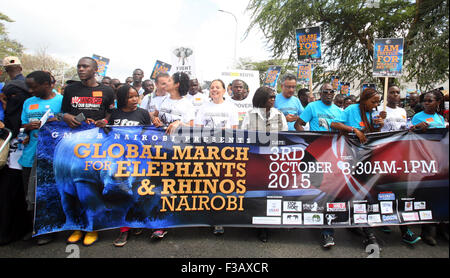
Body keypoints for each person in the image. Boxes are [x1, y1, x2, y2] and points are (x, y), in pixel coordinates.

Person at [61, 57, 115, 246]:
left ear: (95, 69)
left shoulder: (108, 91)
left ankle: (92, 227)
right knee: (74, 186)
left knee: (92, 186)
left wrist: (105, 121)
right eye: (79, 66)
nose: (81, 69)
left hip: (96, 147)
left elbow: (112, 113)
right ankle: (77, 227)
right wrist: (66, 116)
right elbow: (62, 112)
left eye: (85, 66)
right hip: (74, 144)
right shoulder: (70, 89)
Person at [330, 88, 385, 251]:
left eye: (377, 102)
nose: (375, 105)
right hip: (347, 158)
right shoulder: (351, 109)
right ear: (363, 100)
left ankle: (369, 235)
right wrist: (354, 130)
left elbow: (374, 135)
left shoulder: (373, 113)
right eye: (373, 102)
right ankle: (331, 228)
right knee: (344, 193)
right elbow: (334, 124)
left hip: (367, 160)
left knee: (364, 194)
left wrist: (380, 125)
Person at [294, 83, 343, 248]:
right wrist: (307, 140)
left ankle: (327, 232)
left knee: (330, 192)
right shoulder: (312, 107)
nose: (329, 94)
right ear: (320, 93)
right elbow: (298, 124)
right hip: (316, 156)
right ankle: (316, 222)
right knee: (318, 190)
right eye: (325, 91)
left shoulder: (339, 111)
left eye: (331, 91)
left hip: (333, 155)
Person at [20, 71, 63, 245]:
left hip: (52, 155)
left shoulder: (60, 100)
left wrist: (56, 119)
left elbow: (69, 121)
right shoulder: (28, 102)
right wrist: (28, 127)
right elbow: (22, 124)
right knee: (30, 194)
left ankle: (49, 229)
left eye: (33, 86)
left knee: (49, 192)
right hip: (30, 155)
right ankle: (34, 228)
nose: (31, 90)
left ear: (46, 84)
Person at [151, 72, 194, 239]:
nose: (165, 83)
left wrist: (179, 123)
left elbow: (193, 126)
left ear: (176, 84)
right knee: (160, 185)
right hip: (160, 149)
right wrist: (155, 120)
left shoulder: (187, 104)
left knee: (175, 185)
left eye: (169, 81)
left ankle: (178, 218)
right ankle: (160, 223)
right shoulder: (162, 100)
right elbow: (155, 117)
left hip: (178, 150)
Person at [242, 86, 287, 242]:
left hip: (273, 162)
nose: (274, 100)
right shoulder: (250, 115)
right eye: (271, 97)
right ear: (262, 99)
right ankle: (259, 226)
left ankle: (268, 224)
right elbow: (243, 137)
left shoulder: (280, 115)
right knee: (258, 193)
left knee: (271, 194)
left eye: (274, 97)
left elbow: (286, 137)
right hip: (255, 161)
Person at [378, 85, 421, 245]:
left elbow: (406, 130)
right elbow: (375, 131)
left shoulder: (403, 112)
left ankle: (404, 228)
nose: (395, 95)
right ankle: (384, 220)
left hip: (401, 156)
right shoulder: (380, 111)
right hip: (383, 155)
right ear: (387, 95)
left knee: (401, 191)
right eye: (392, 92)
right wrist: (379, 122)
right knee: (384, 189)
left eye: (397, 92)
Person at [195, 79, 239, 235]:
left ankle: (220, 220)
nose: (214, 90)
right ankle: (206, 216)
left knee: (221, 185)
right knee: (207, 184)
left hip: (224, 152)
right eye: (212, 87)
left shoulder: (231, 108)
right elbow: (198, 129)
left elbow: (234, 131)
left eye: (217, 87)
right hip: (206, 151)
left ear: (224, 90)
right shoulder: (203, 107)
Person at [111, 84, 151, 247]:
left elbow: (150, 135)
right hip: (119, 161)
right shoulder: (114, 114)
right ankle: (124, 229)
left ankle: (136, 222)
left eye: (136, 96)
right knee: (123, 193)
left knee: (137, 193)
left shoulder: (143, 113)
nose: (135, 99)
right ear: (122, 99)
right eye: (130, 97)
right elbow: (106, 134)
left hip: (139, 161)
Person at [0, 56, 32, 245]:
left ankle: (20, 229)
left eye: (11, 99)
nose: (8, 102)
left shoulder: (27, 104)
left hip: (23, 155)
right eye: (5, 99)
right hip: (9, 155)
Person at [411, 90, 447, 246]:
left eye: (430, 101)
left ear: (438, 102)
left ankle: (443, 228)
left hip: (441, 161)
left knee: (442, 193)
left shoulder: (440, 118)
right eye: (425, 100)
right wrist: (416, 128)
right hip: (424, 161)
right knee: (428, 194)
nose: (426, 103)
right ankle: (428, 231)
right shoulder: (417, 117)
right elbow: (407, 135)